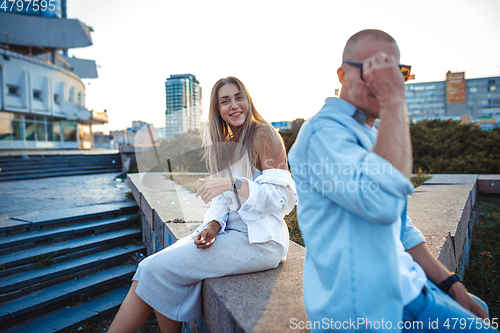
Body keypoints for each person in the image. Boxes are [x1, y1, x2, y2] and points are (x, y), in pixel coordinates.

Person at [288, 29, 497, 332]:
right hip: (367, 312)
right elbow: (382, 204)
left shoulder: (373, 132)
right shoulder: (323, 134)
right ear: (342, 74)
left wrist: (453, 285)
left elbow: (400, 226)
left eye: (394, 73)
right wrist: (394, 102)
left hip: (410, 290)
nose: (385, 81)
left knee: (483, 311)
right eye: (373, 69)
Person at [108, 77, 297, 333]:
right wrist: (213, 224)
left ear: (248, 99)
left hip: (259, 241)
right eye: (225, 101)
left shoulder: (263, 133)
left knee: (154, 269)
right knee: (147, 268)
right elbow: (222, 200)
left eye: (239, 97)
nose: (234, 105)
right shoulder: (228, 142)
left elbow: (283, 199)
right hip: (232, 233)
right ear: (217, 109)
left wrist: (233, 183)